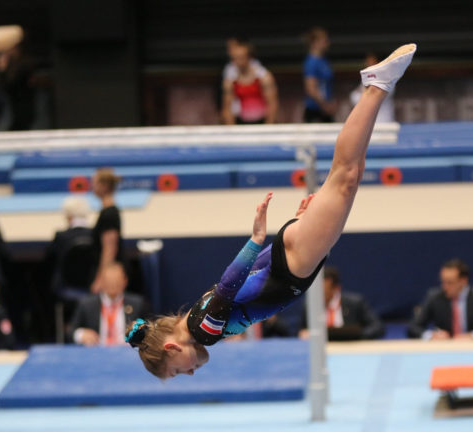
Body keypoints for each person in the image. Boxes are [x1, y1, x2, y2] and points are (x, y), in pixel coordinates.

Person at [125, 43, 417, 378]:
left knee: (345, 175)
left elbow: (228, 287)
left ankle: (377, 86)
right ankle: (376, 88)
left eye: (176, 371)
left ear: (171, 348)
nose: (189, 373)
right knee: (346, 174)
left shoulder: (202, 331)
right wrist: (296, 230)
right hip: (289, 257)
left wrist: (257, 240)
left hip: (291, 265)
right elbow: (247, 283)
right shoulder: (196, 321)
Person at [407, 259, 473, 340]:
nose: (444, 287)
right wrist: (431, 335)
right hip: (444, 349)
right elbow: (413, 328)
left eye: (450, 282)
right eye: (443, 282)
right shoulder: (434, 297)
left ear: (463, 281)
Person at [70, 263, 150, 346]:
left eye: (116, 281)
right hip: (95, 353)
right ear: (101, 282)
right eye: (109, 281)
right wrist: (81, 334)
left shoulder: (137, 304)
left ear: (125, 281)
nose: (112, 285)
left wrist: (138, 332)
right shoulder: (87, 305)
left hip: (127, 353)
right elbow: (71, 331)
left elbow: (149, 330)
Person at [300, 266, 385, 340]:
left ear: (336, 288)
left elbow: (378, 327)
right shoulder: (310, 306)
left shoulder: (355, 303)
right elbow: (302, 331)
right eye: (317, 291)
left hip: (351, 350)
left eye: (324, 292)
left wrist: (356, 336)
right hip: (321, 350)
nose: (320, 295)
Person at [221, 40, 278, 125]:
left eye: (241, 58)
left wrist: (268, 126)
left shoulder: (264, 77)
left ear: (249, 57)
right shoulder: (230, 80)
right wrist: (231, 129)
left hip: (261, 121)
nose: (237, 62)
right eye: (234, 58)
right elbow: (227, 107)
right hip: (241, 121)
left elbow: (272, 103)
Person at [45, 196, 94, 287]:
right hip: (91, 283)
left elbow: (49, 259)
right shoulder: (95, 235)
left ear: (68, 216)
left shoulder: (61, 236)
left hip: (66, 283)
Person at [92, 168, 123, 292]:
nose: (92, 186)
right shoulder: (107, 211)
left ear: (104, 186)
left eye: (94, 183)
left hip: (110, 271)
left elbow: (109, 249)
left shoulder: (109, 214)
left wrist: (102, 278)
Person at [350, 53, 395, 123]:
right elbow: (354, 97)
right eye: (367, 62)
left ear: (378, 63)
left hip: (384, 123)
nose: (368, 64)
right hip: (369, 124)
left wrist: (362, 93)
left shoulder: (387, 78)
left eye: (371, 62)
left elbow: (372, 97)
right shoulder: (366, 79)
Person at [303, 27, 336, 123]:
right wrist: (324, 105)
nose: (327, 43)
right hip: (316, 109)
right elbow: (311, 88)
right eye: (324, 41)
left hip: (325, 108)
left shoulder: (324, 61)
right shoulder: (311, 62)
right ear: (315, 42)